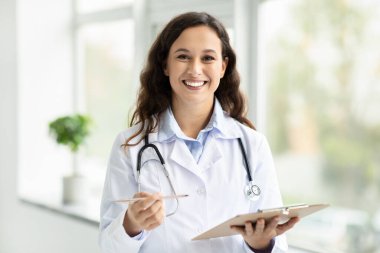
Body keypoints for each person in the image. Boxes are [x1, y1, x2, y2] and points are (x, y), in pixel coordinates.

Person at [99, 11, 299, 253]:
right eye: (183, 57)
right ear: (165, 65)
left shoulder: (252, 145)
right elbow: (107, 247)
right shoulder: (130, 146)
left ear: (223, 66)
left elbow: (279, 248)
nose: (195, 69)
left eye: (208, 58)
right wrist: (131, 225)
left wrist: (261, 245)